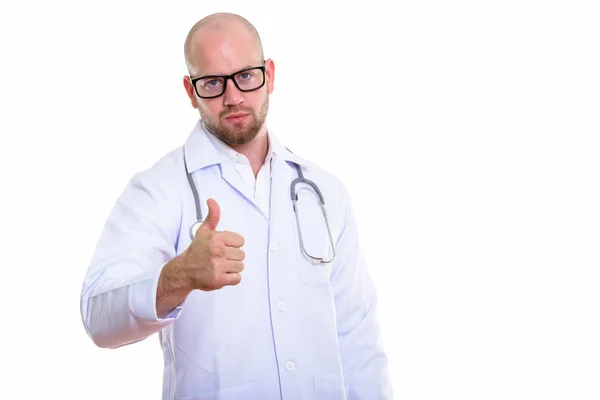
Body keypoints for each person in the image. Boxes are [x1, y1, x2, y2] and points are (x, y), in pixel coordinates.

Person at [80, 12, 393, 400]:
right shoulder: (158, 188)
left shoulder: (324, 191)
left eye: (245, 76)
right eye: (212, 82)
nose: (233, 97)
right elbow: (97, 318)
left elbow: (357, 334)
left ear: (270, 75)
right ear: (190, 91)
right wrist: (178, 276)